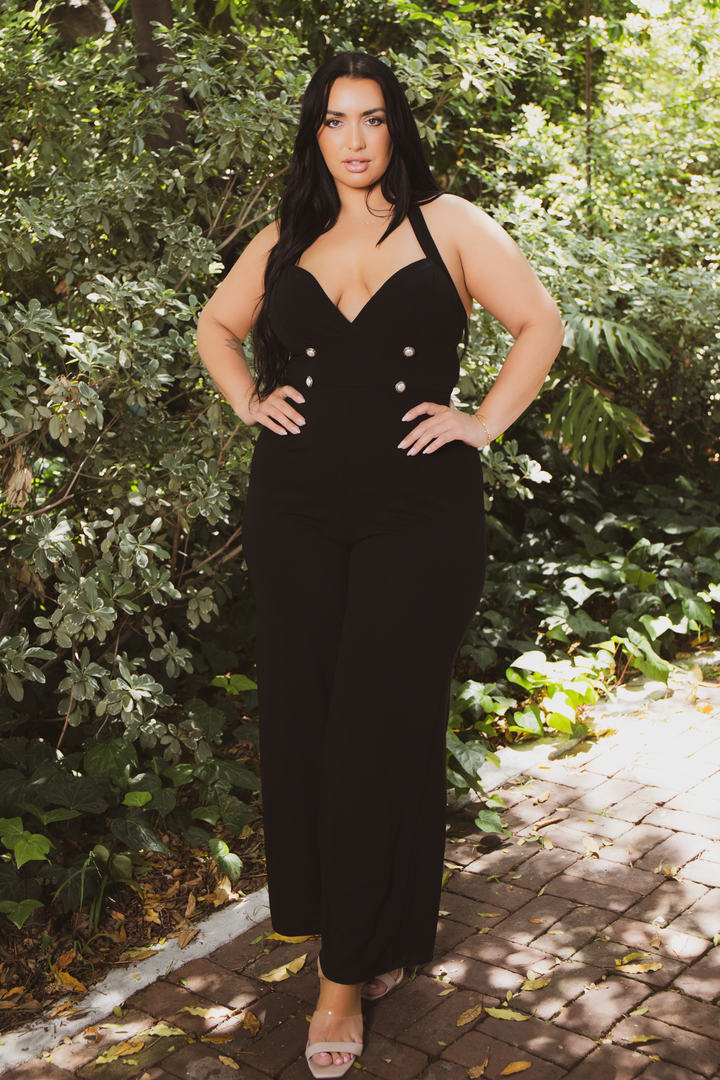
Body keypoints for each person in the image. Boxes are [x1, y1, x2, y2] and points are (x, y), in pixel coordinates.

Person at [196, 50, 563, 1079]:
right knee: (308, 724)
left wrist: (482, 421)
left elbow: (539, 323)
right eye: (333, 120)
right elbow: (216, 326)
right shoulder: (285, 236)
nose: (353, 139)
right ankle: (375, 927)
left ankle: (342, 977)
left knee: (375, 727)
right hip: (295, 510)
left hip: (419, 515)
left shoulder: (451, 224)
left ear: (396, 126)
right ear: (314, 134)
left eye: (370, 117)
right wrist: (246, 399)